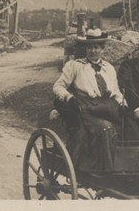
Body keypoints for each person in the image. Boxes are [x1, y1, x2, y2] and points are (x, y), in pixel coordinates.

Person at [52, 28, 130, 173]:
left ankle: (127, 166)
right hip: (86, 109)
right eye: (89, 47)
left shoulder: (109, 68)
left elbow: (116, 91)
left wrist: (122, 104)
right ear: (85, 49)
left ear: (102, 49)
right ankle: (104, 169)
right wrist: (69, 98)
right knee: (106, 128)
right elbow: (58, 86)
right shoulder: (75, 66)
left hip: (107, 107)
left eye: (96, 47)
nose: (93, 51)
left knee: (129, 126)